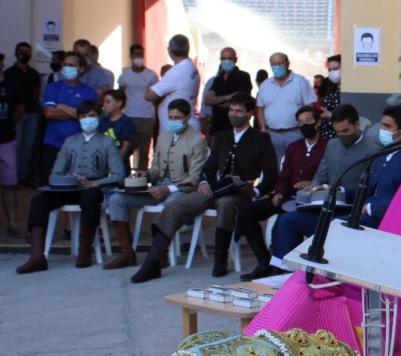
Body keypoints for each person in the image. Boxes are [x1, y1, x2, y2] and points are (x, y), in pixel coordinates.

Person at [130, 94, 277, 283]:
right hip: (215, 188)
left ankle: (220, 258)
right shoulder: (222, 136)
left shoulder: (261, 139)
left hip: (240, 192)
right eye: (231, 110)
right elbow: (209, 167)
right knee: (175, 207)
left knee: (225, 203)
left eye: (239, 111)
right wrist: (204, 182)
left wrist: (255, 192)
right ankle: (152, 262)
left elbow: (272, 174)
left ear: (250, 113)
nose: (234, 114)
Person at [267, 105, 401, 266]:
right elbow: (322, 173)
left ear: (356, 125)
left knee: (331, 228)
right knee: (288, 220)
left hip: (351, 209)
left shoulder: (375, 151)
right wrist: (316, 186)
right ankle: (283, 270)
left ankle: (313, 274)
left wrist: (360, 201)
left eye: (345, 131)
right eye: (338, 132)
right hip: (325, 204)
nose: (341, 136)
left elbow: (391, 196)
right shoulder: (334, 145)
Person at [16, 100, 125, 273]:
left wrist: (95, 183)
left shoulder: (107, 142)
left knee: (89, 198)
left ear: (99, 117)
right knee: (39, 201)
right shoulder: (69, 141)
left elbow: (119, 176)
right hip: (70, 187)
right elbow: (55, 173)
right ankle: (37, 256)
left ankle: (85, 250)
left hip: (93, 187)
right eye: (83, 116)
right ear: (78, 119)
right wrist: (68, 180)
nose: (87, 120)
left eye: (91, 116)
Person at [104, 99, 208, 270]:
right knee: (117, 199)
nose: (173, 121)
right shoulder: (163, 136)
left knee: (170, 205)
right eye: (170, 118)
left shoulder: (197, 140)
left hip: (181, 190)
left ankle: (161, 253)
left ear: (188, 117)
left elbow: (193, 179)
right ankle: (126, 253)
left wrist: (167, 189)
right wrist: (144, 174)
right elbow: (156, 169)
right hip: (158, 187)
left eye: (177, 118)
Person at [237, 105, 327, 280]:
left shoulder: (327, 147)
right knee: (247, 213)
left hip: (309, 199)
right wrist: (278, 193)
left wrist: (313, 184)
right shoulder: (295, 147)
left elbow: (327, 174)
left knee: (281, 223)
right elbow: (285, 174)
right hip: (287, 195)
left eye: (308, 121)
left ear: (318, 123)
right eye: (300, 122)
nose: (304, 125)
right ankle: (264, 261)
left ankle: (279, 267)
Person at [40, 52, 97, 185]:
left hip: (80, 146)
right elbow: (49, 114)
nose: (67, 68)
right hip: (53, 144)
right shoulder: (52, 88)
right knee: (49, 184)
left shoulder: (89, 91)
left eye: (71, 65)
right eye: (65, 65)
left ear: (81, 69)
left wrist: (61, 106)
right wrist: (78, 112)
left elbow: (89, 117)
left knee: (77, 185)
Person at [255, 52, 317, 162]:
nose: (277, 66)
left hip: (296, 133)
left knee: (296, 163)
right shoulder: (265, 85)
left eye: (280, 63)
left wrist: (306, 127)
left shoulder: (300, 81)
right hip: (272, 134)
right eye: (274, 64)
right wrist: (263, 128)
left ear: (288, 64)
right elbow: (260, 108)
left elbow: (310, 106)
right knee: (275, 166)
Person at [146, 34, 200, 133]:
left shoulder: (176, 72)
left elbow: (149, 95)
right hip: (184, 126)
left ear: (170, 51)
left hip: (176, 133)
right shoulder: (191, 67)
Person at [117, 44, 158, 170]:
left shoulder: (151, 75)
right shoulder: (125, 75)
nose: (138, 57)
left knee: (144, 152)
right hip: (129, 117)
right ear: (130, 56)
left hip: (147, 117)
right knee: (127, 149)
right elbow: (120, 95)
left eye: (141, 54)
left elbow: (156, 95)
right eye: (136, 54)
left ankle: (142, 178)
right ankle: (127, 176)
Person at [8, 42, 41, 185]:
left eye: (27, 51)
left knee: (28, 146)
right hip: (15, 114)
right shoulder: (8, 73)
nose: (24, 54)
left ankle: (23, 177)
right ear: (15, 53)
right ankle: (12, 178)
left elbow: (37, 93)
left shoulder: (34, 74)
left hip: (32, 113)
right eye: (21, 51)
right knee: (16, 146)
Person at [203, 47, 253, 135]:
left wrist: (216, 101)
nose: (226, 61)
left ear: (235, 59)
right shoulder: (218, 79)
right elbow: (207, 100)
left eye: (229, 58)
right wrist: (227, 97)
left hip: (236, 127)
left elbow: (241, 103)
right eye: (223, 59)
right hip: (217, 127)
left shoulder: (243, 77)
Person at [0, 64, 24, 236]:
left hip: (7, 140)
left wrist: (7, 126)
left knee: (10, 185)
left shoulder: (10, 85)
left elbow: (19, 110)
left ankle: (13, 223)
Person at [99, 88, 137, 174]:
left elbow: (126, 147)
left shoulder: (126, 122)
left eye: (108, 102)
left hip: (121, 165)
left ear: (119, 103)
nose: (104, 105)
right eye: (104, 102)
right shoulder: (102, 121)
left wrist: (115, 164)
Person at [318, 55, 343, 140]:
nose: (332, 72)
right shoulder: (328, 84)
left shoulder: (351, 89)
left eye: (335, 69)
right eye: (329, 70)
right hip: (326, 133)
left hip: (341, 133)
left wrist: (330, 115)